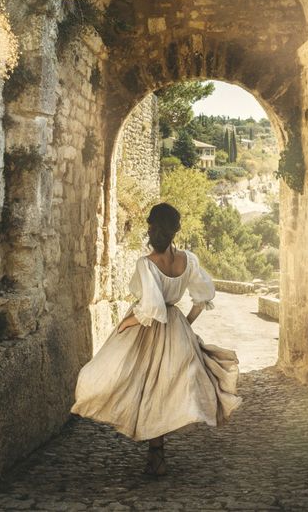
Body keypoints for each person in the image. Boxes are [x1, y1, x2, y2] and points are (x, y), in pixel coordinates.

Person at [71, 202, 242, 476]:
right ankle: (157, 452)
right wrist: (185, 324)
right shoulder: (189, 260)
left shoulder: (146, 264)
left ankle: (156, 454)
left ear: (151, 228)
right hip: (176, 328)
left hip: (146, 330)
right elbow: (202, 299)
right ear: (176, 230)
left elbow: (151, 309)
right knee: (164, 387)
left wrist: (126, 324)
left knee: (135, 383)